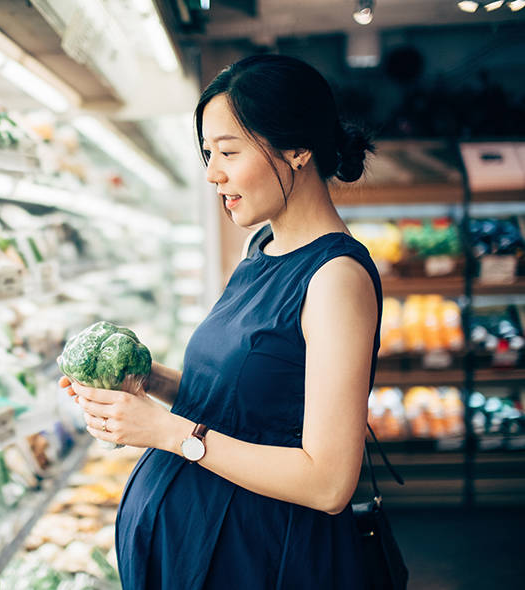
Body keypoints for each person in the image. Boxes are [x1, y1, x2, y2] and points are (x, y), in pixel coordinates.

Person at [58, 54, 382, 589]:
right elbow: (247, 409)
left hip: (261, 559)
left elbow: (328, 482)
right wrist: (146, 382)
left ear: (298, 148)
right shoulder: (263, 248)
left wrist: (166, 431)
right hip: (203, 551)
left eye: (228, 152)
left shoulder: (336, 279)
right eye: (208, 153)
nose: (212, 173)